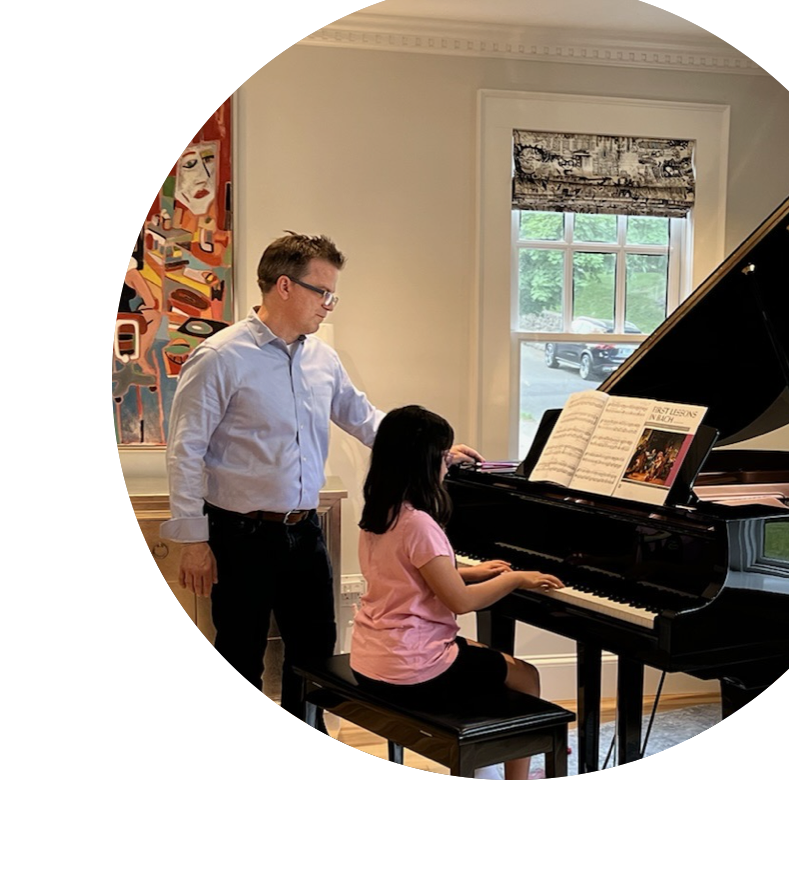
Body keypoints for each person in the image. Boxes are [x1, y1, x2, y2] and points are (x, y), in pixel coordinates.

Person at [160, 232, 480, 717]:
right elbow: (185, 451)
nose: (330, 305)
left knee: (314, 655)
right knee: (239, 654)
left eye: (333, 295)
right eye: (323, 292)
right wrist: (193, 541)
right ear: (284, 286)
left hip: (305, 531)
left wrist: (434, 451)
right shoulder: (220, 358)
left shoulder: (321, 358)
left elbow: (363, 418)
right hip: (238, 535)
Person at [350, 404, 563, 780]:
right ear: (424, 463)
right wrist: (516, 579)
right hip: (412, 671)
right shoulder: (420, 524)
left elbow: (410, 576)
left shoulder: (379, 514)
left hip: (371, 657)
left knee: (481, 654)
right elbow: (461, 604)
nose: (448, 465)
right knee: (526, 675)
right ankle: (519, 773)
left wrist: (470, 571)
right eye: (443, 456)